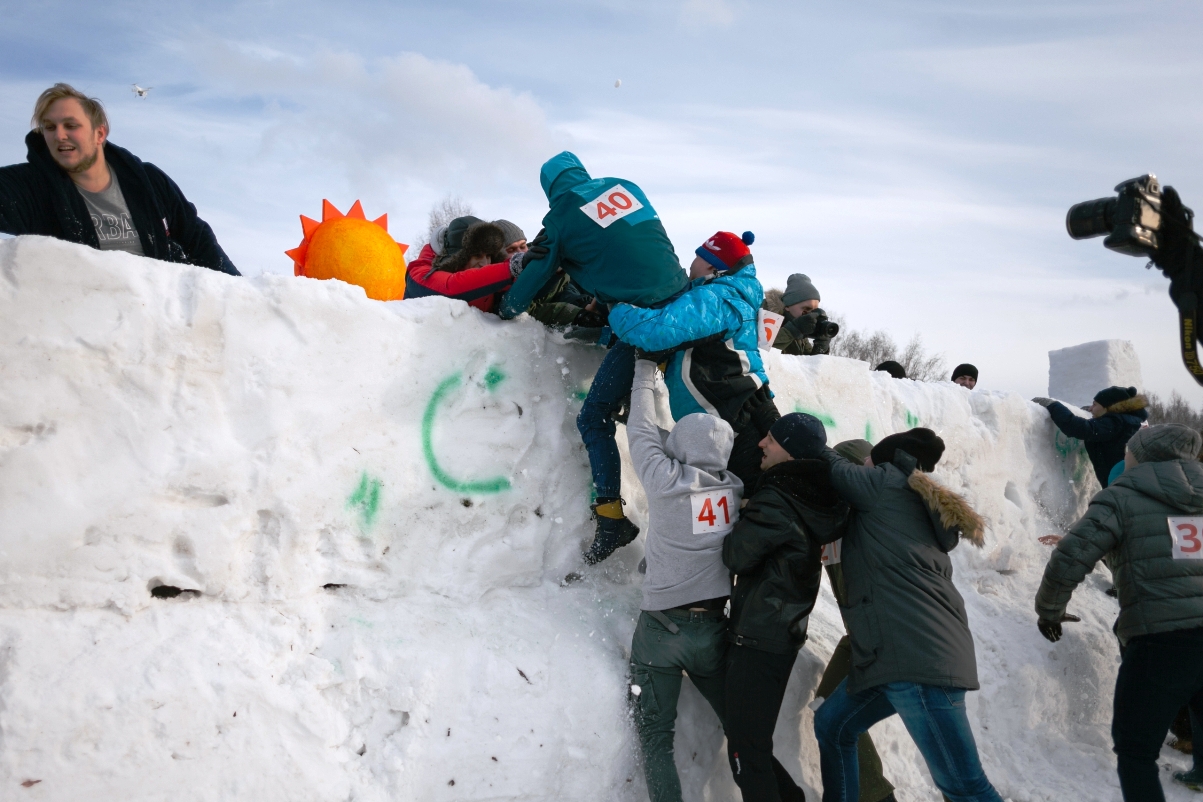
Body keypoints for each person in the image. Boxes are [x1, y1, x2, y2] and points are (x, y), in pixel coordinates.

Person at [499, 152, 691, 564]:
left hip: (644, 324)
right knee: (685, 422)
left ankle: (613, 520)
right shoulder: (626, 187)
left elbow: (526, 289)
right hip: (684, 307)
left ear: (550, 190)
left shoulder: (562, 216)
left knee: (594, 416)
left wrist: (506, 308)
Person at [800, 428, 1003, 802]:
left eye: (865, 465)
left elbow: (833, 466)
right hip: (889, 653)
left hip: (917, 656)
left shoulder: (885, 491)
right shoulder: (886, 511)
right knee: (833, 725)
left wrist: (798, 437)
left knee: (964, 786)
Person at [1036, 423, 1203, 802]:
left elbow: (1070, 558)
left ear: (1140, 455)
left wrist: (1049, 610)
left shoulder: (1121, 496)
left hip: (1161, 639)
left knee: (1136, 750)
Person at [625, 357, 742, 802]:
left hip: (660, 629)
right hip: (712, 630)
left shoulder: (665, 479)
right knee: (739, 722)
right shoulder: (733, 491)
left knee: (656, 737)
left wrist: (645, 373)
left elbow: (641, 429)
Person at [722, 412, 851, 802]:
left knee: (747, 751)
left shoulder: (778, 500)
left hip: (759, 636)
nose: (761, 443)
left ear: (791, 454)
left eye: (772, 441)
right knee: (752, 745)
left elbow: (736, 556)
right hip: (781, 633)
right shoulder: (812, 499)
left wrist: (742, 514)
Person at [0, 83, 238, 275]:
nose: (59, 135)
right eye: (50, 128)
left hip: (160, 316)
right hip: (83, 322)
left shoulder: (149, 182)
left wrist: (242, 294)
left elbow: (197, 239)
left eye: (71, 125)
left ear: (99, 133)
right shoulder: (31, 187)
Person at [608, 230, 781, 489]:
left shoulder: (717, 298)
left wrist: (615, 306)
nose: (690, 265)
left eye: (697, 257)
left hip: (735, 422)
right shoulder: (729, 295)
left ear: (712, 265)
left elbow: (656, 332)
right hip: (741, 412)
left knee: (749, 505)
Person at [811, 439, 899, 802]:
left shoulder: (878, 526)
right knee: (827, 710)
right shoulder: (839, 519)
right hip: (861, 639)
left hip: (896, 643)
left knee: (937, 740)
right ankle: (872, 792)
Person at [1031, 386, 1148, 488]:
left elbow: (1080, 428)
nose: (1091, 408)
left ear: (1109, 408)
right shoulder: (1128, 421)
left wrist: (1053, 406)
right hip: (1129, 484)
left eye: (1095, 404)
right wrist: (1096, 412)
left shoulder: (1115, 423)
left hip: (1122, 488)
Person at [404, 216, 517, 313]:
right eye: (477, 255)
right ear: (457, 258)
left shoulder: (491, 278)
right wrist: (511, 268)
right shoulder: (419, 273)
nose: (485, 264)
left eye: (488, 256)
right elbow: (451, 287)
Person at [764, 274, 835, 356]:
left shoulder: (800, 332)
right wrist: (793, 330)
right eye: (806, 310)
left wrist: (822, 346)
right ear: (787, 306)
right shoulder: (766, 317)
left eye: (814, 311)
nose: (810, 316)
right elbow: (760, 354)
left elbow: (808, 366)